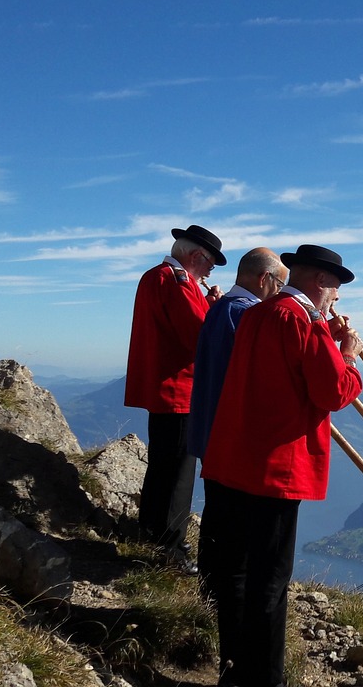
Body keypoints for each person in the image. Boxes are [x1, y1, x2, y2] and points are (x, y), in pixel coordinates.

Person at [201, 244, 363, 687]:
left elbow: (281, 370)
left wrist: (327, 337)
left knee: (234, 572)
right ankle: (264, 679)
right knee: (270, 583)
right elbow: (334, 391)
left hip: (233, 460)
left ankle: (232, 669)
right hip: (275, 471)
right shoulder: (304, 320)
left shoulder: (259, 312)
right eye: (335, 287)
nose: (336, 297)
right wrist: (347, 352)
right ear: (319, 282)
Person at [183, 247, 289, 585]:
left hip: (210, 430)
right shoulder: (246, 316)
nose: (280, 293)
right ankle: (223, 598)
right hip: (233, 437)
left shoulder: (220, 310)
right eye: (280, 284)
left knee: (218, 517)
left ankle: (210, 592)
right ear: (264, 279)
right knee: (236, 528)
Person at [124, 224, 225, 557]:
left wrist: (206, 302)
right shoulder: (178, 282)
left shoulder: (158, 276)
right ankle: (169, 548)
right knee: (178, 474)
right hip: (179, 390)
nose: (210, 270)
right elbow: (198, 336)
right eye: (210, 263)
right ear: (196, 256)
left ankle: (150, 534)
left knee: (162, 467)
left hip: (164, 388)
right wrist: (217, 312)